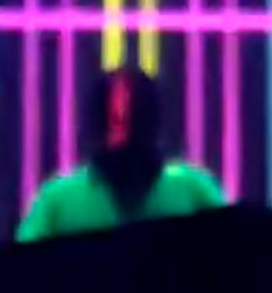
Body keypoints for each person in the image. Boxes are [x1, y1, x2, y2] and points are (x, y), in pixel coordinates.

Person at [16, 65, 230, 241]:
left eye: (131, 122)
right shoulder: (56, 202)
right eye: (114, 123)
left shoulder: (196, 192)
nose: (121, 138)